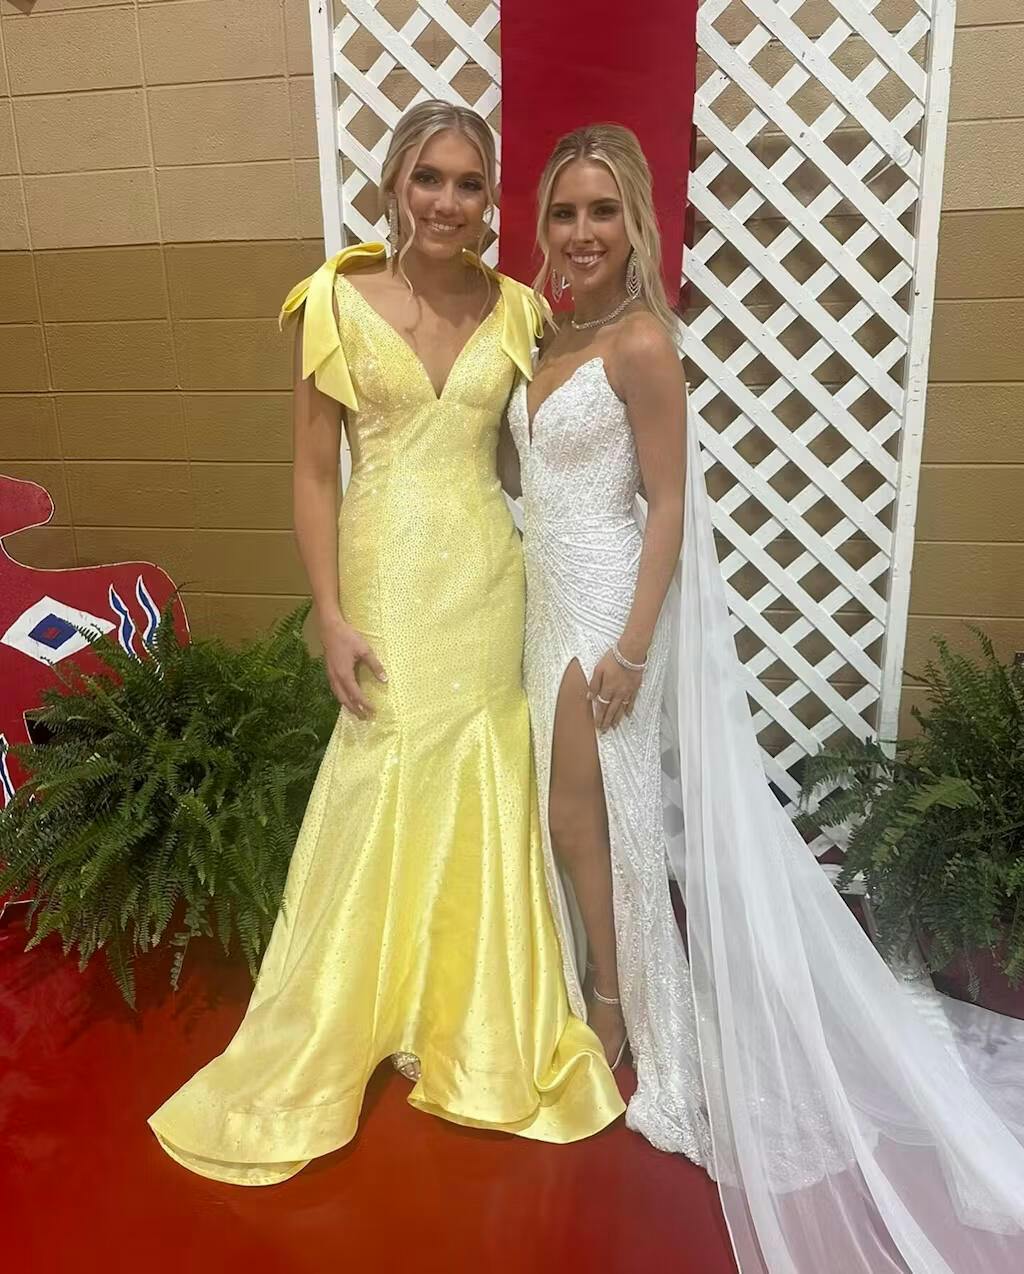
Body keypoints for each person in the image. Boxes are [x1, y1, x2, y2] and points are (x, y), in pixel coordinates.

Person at [508, 123, 1024, 1273]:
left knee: (599, 818)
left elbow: (669, 503)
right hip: (541, 610)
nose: (582, 231)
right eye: (564, 212)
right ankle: (593, 987)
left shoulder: (642, 343)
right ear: (542, 226)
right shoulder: (544, 334)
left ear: (633, 223)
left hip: (605, 618)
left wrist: (633, 644)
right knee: (565, 817)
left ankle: (620, 1008)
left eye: (601, 210)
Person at [148, 101, 623, 1187]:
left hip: (486, 575)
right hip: (384, 578)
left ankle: (461, 1010)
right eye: (429, 179)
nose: (447, 203)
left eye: (468, 183)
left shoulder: (517, 310)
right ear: (396, 185)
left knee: (478, 765)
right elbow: (315, 471)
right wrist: (326, 609)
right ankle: (354, 1007)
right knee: (385, 758)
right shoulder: (334, 301)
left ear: (489, 199)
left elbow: (544, 445)